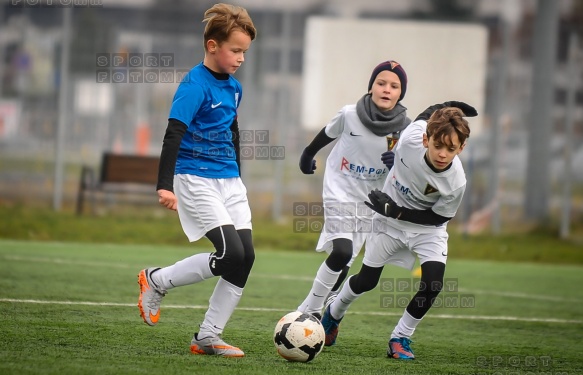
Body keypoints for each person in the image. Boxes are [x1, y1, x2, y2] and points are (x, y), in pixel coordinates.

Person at [136, 3, 257, 358]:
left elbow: (232, 132)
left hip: (229, 181)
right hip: (195, 178)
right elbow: (173, 134)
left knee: (245, 257)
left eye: (244, 52)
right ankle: (156, 280)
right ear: (212, 46)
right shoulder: (193, 85)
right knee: (229, 253)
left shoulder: (235, 88)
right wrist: (164, 184)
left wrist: (238, 178)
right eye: (235, 51)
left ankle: (208, 337)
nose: (240, 59)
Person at [320, 101, 478, 360]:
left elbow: (437, 216)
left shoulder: (456, 182)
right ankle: (333, 314)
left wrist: (397, 211)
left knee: (433, 283)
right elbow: (426, 114)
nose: (442, 154)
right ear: (426, 139)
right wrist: (449, 106)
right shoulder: (410, 140)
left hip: (428, 229)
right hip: (388, 224)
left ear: (462, 147)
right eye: (438, 145)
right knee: (366, 282)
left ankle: (400, 337)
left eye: (451, 149)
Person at [297, 60, 411, 319]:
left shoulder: (406, 129)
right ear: (371, 87)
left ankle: (308, 311)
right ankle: (310, 311)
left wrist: (398, 166)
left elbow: (409, 168)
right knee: (342, 252)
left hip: (371, 202)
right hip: (339, 189)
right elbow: (327, 133)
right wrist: (307, 154)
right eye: (381, 83)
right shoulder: (350, 114)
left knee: (344, 266)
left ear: (400, 93)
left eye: (394, 86)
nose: (386, 89)